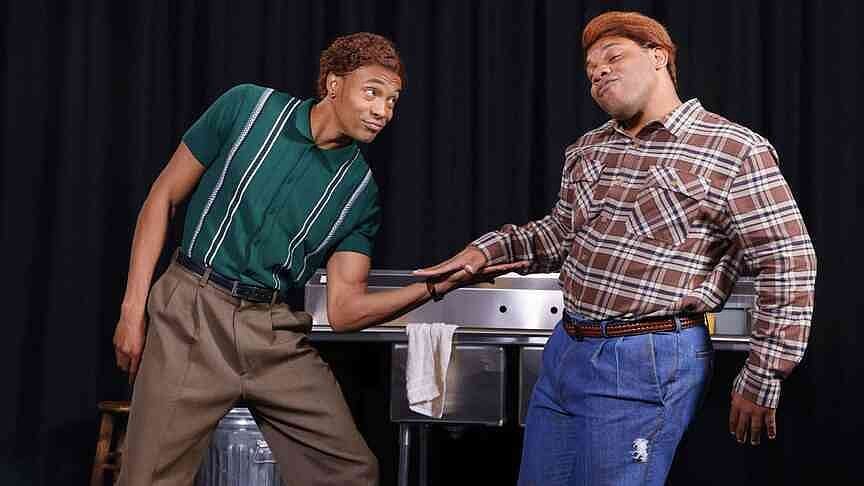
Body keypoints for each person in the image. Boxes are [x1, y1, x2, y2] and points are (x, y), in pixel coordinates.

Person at [415, 11, 816, 485]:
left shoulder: (733, 149)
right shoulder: (589, 149)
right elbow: (559, 234)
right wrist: (484, 253)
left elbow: (788, 262)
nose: (598, 72)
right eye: (590, 70)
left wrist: (763, 375)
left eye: (613, 57)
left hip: (647, 356)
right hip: (566, 350)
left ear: (658, 57)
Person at [112, 32, 521, 486]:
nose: (383, 111)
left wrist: (434, 286)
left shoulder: (360, 192)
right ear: (333, 84)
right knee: (148, 477)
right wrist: (132, 309)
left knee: (349, 472)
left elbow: (345, 310)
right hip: (192, 311)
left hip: (271, 331)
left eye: (392, 101)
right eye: (372, 92)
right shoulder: (246, 108)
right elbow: (163, 197)